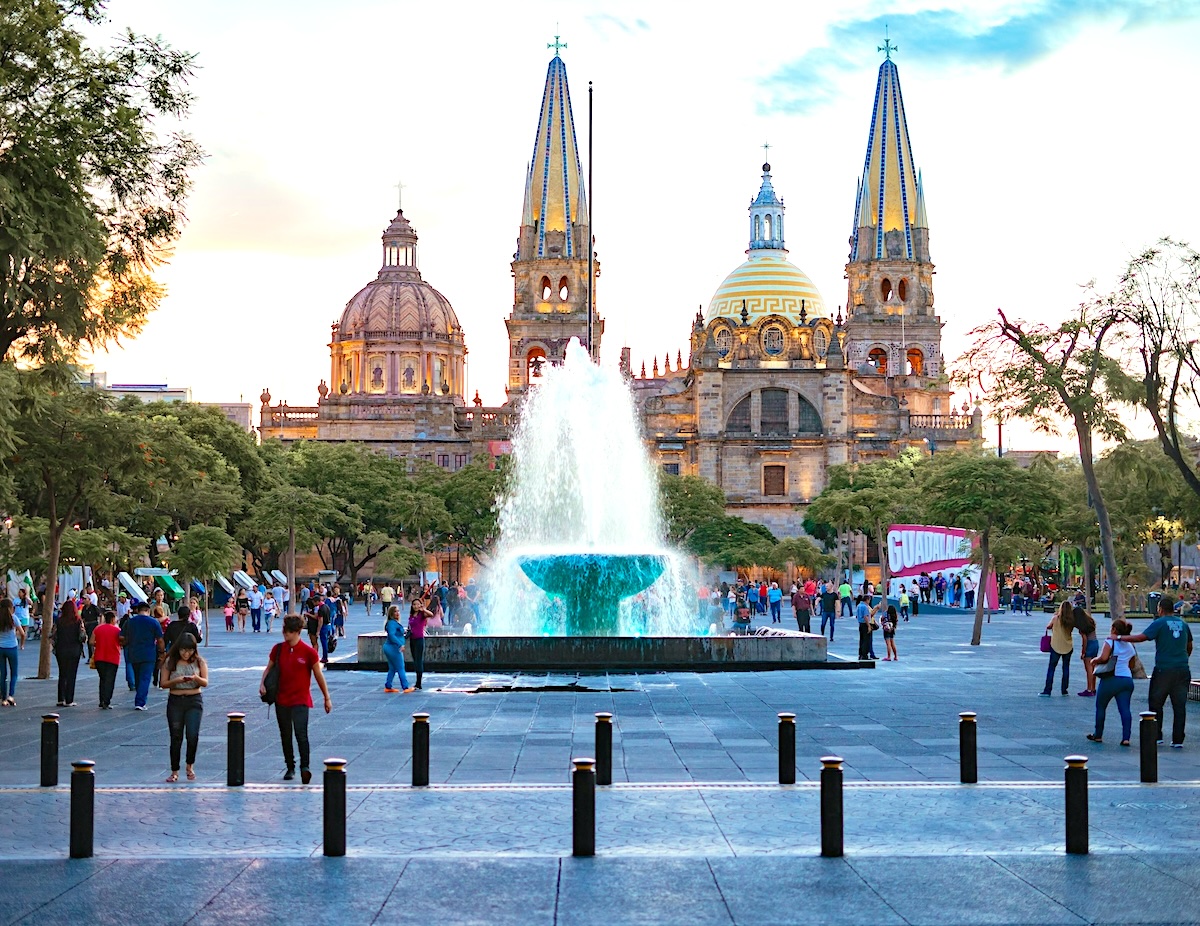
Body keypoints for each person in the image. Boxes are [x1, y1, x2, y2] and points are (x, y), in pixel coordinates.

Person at [260, 615, 332, 783]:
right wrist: (262, 683)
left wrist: (326, 698)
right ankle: (290, 766)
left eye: (290, 632)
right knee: (285, 734)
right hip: (281, 699)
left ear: (298, 632)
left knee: (301, 734)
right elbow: (268, 668)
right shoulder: (278, 649)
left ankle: (304, 767)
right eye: (285, 631)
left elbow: (319, 676)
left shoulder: (309, 652)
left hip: (301, 699)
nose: (286, 635)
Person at [1118, 594, 1193, 747]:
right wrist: (1182, 657)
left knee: (1156, 703)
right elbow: (1189, 645)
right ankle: (1178, 739)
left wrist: (1120, 637)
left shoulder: (1159, 623)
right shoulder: (1183, 624)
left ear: (1160, 609)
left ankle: (1157, 735)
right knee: (1179, 706)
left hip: (1163, 669)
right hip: (1182, 669)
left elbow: (1142, 637)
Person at [159, 632, 207, 782]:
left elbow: (205, 682)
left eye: (190, 650)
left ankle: (189, 766)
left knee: (192, 735)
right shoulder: (170, 662)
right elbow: (163, 683)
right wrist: (177, 680)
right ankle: (174, 770)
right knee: (176, 736)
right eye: (183, 650)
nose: (186, 653)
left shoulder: (199, 662)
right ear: (178, 649)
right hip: (176, 700)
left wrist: (196, 678)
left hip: (194, 700)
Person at [1087, 618, 1136, 746]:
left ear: (1114, 629)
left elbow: (1104, 658)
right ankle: (1126, 738)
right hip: (1126, 679)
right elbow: (1132, 664)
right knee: (1125, 709)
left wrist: (1094, 661)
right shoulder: (1130, 645)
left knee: (1101, 706)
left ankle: (1098, 735)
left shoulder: (1110, 642)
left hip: (1111, 679)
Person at [120, 600, 164, 710]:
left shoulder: (130, 622)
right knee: (145, 677)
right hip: (149, 653)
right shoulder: (154, 622)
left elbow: (121, 637)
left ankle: (139, 697)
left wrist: (127, 643)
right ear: (148, 611)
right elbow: (160, 639)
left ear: (137, 610)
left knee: (138, 677)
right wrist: (162, 652)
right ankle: (140, 702)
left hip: (134, 653)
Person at [51, 599, 87, 707]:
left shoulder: (59, 621)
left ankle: (60, 698)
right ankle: (69, 699)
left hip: (61, 650)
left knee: (62, 673)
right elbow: (82, 636)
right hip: (74, 650)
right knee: (71, 675)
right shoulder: (78, 621)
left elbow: (53, 635)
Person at [1040, 601, 1075, 697]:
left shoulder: (1056, 618)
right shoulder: (1072, 620)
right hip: (1068, 645)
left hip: (1055, 645)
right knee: (1066, 668)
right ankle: (1064, 690)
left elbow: (1048, 627)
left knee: (1051, 668)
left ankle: (1047, 690)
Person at [90, 609, 121, 709]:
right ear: (112, 619)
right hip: (113, 657)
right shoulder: (117, 630)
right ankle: (106, 701)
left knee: (102, 679)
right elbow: (121, 641)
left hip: (99, 656)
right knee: (110, 680)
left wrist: (98, 643)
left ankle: (101, 699)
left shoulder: (98, 628)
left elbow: (91, 641)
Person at [0, 598, 27, 706]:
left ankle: (3, 698)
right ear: (11, 608)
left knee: (3, 674)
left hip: (0, 648)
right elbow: (23, 633)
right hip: (12, 647)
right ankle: (11, 695)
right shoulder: (13, 618)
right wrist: (22, 644)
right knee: (14, 673)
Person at [382, 605, 414, 693]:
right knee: (400, 667)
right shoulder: (392, 623)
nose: (397, 613)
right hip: (393, 647)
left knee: (392, 668)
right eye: (395, 611)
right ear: (391, 613)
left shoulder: (393, 623)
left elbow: (396, 634)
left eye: (398, 611)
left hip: (391, 647)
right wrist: (400, 644)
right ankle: (405, 687)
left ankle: (388, 686)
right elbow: (392, 635)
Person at [1073, 606, 1098, 697]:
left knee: (1088, 668)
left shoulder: (1082, 624)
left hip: (1089, 644)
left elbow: (1084, 639)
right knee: (1094, 666)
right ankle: (1093, 688)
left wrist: (1083, 651)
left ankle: (1089, 689)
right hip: (1095, 642)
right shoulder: (1091, 620)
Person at [408, 596, 433, 689]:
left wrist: (424, 609)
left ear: (420, 605)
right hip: (412, 639)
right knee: (415, 660)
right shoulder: (411, 615)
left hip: (419, 639)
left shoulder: (422, 614)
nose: (416, 606)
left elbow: (431, 614)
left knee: (419, 660)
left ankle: (419, 683)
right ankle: (417, 681)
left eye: (417, 604)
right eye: (414, 604)